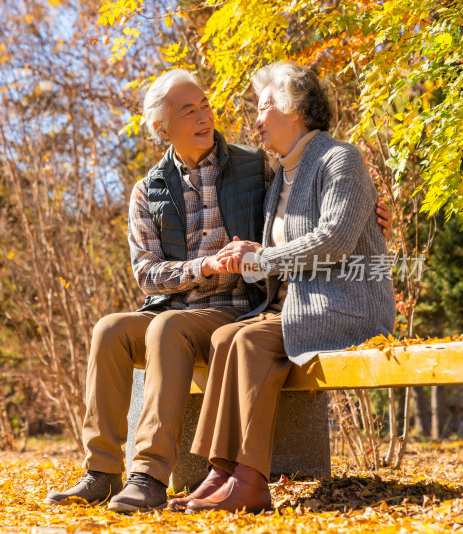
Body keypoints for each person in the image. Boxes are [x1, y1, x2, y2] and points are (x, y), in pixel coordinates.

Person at [44, 68, 391, 513]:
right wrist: (202, 266)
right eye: (189, 111)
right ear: (162, 128)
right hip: (175, 303)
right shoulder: (147, 191)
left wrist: (373, 214)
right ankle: (103, 471)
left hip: (235, 306)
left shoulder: (254, 166)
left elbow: (318, 208)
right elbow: (147, 274)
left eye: (205, 105)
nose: (205, 116)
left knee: (171, 329)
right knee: (110, 329)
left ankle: (149, 474)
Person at [167, 62, 396, 514]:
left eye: (264, 105)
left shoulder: (338, 159)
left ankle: (250, 479)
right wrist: (250, 253)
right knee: (225, 336)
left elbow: (333, 239)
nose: (256, 117)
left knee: (248, 338)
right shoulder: (282, 178)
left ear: (293, 108)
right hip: (301, 306)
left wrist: (264, 257)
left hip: (347, 305)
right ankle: (222, 469)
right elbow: (286, 252)